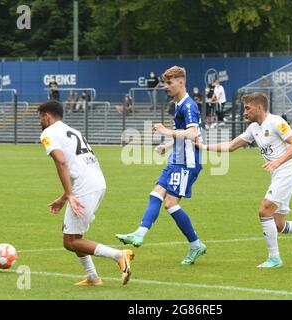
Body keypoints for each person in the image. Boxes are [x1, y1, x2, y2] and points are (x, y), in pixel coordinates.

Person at [195, 92, 292, 268]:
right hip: (278, 174)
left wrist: (277, 162)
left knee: (264, 211)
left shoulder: (276, 121)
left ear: (259, 107)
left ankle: (274, 258)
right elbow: (231, 146)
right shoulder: (253, 128)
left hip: (287, 172)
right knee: (279, 225)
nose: (244, 112)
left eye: (247, 108)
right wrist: (203, 146)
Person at [116, 66, 207, 265]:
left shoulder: (189, 106)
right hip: (176, 159)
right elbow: (183, 134)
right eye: (166, 82)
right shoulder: (179, 104)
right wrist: (167, 145)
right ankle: (139, 234)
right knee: (156, 193)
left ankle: (195, 245)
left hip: (186, 163)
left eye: (169, 82)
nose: (166, 86)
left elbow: (192, 133)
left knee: (171, 204)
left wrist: (166, 131)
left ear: (181, 82)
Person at [38, 101, 134, 286]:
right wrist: (64, 197)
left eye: (40, 117)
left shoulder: (48, 133)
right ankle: (92, 277)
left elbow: (61, 162)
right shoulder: (72, 131)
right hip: (96, 181)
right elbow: (78, 165)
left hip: (85, 186)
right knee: (74, 236)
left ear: (47, 116)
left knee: (70, 240)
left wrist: (70, 195)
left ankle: (119, 256)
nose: (39, 121)